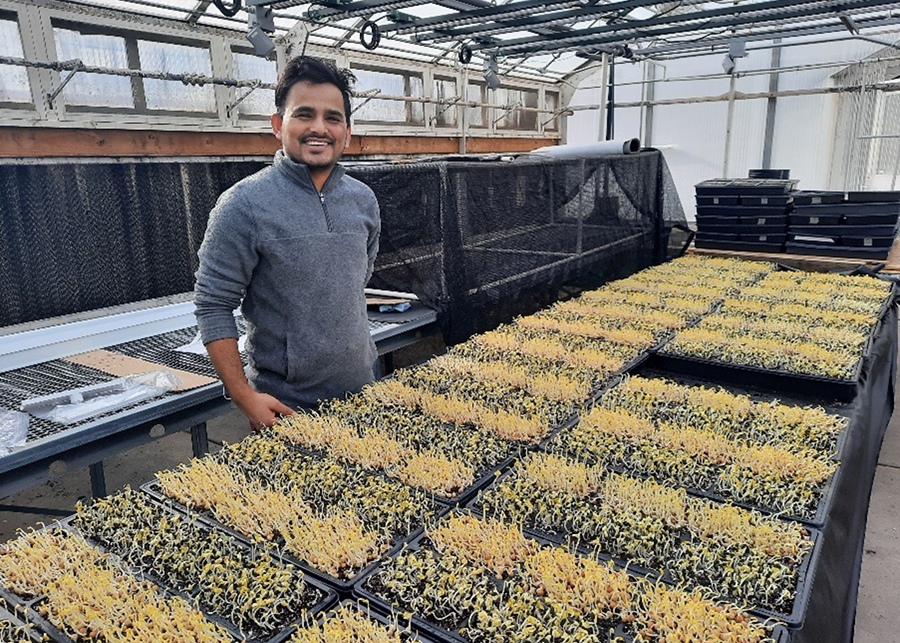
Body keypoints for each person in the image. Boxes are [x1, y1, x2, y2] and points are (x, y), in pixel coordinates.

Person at [193, 56, 380, 428]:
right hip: (288, 408)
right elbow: (213, 305)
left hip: (363, 392)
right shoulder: (243, 205)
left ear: (346, 130)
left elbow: (358, 281)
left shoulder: (363, 201)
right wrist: (244, 396)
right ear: (278, 125)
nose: (319, 128)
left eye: (333, 118)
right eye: (304, 114)